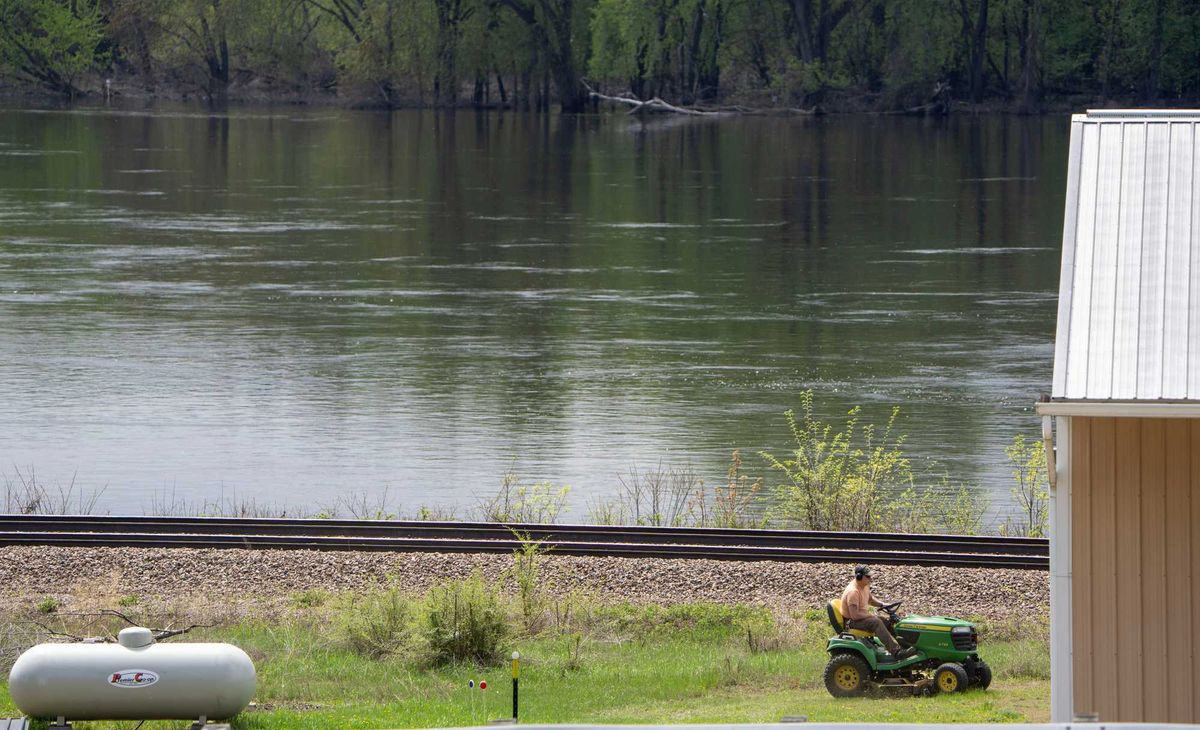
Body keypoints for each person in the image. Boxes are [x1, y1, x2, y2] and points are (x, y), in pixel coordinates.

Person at [840, 565, 915, 661]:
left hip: (860, 618)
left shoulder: (864, 586)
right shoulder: (853, 592)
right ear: (859, 577)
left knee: (885, 620)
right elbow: (855, 615)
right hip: (852, 622)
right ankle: (897, 652)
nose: (870, 579)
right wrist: (871, 615)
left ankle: (904, 645)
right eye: (868, 577)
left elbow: (870, 600)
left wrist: (883, 604)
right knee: (876, 622)